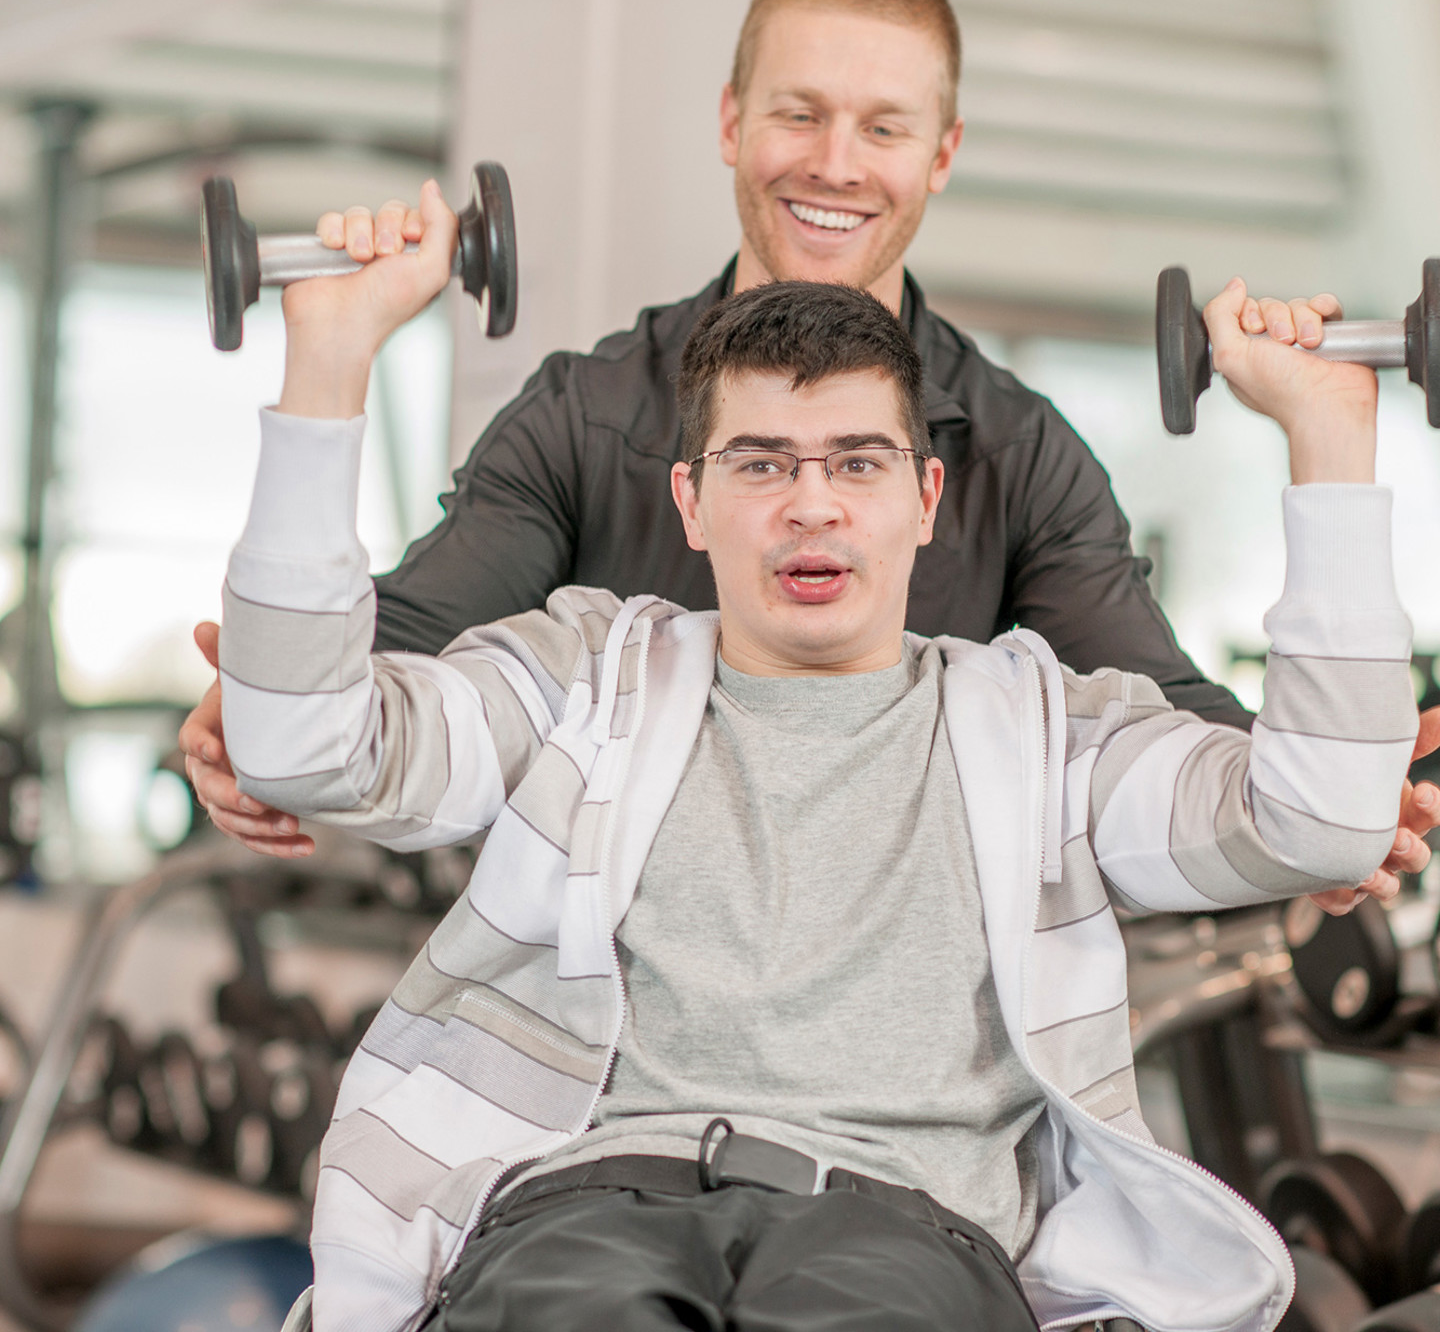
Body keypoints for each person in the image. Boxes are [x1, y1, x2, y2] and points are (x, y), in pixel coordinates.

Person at [218, 175, 1419, 1332]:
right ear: (690, 504)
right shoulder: (581, 677)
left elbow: (1320, 819)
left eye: (857, 461)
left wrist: (1328, 439)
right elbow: (306, 746)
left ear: (926, 496)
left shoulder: (1048, 733)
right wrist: (331, 354)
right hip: (583, 1205)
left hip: (906, 1226)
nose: (812, 504)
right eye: (760, 463)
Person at [182, 0, 1437, 899]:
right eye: (799, 114)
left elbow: (1157, 710)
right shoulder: (586, 412)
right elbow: (403, 647)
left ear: (939, 155)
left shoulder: (1017, 452)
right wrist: (270, 703)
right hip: (592, 1003)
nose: (836, 163)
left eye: (883, 128)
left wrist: (1301, 808)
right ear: (733, 123)